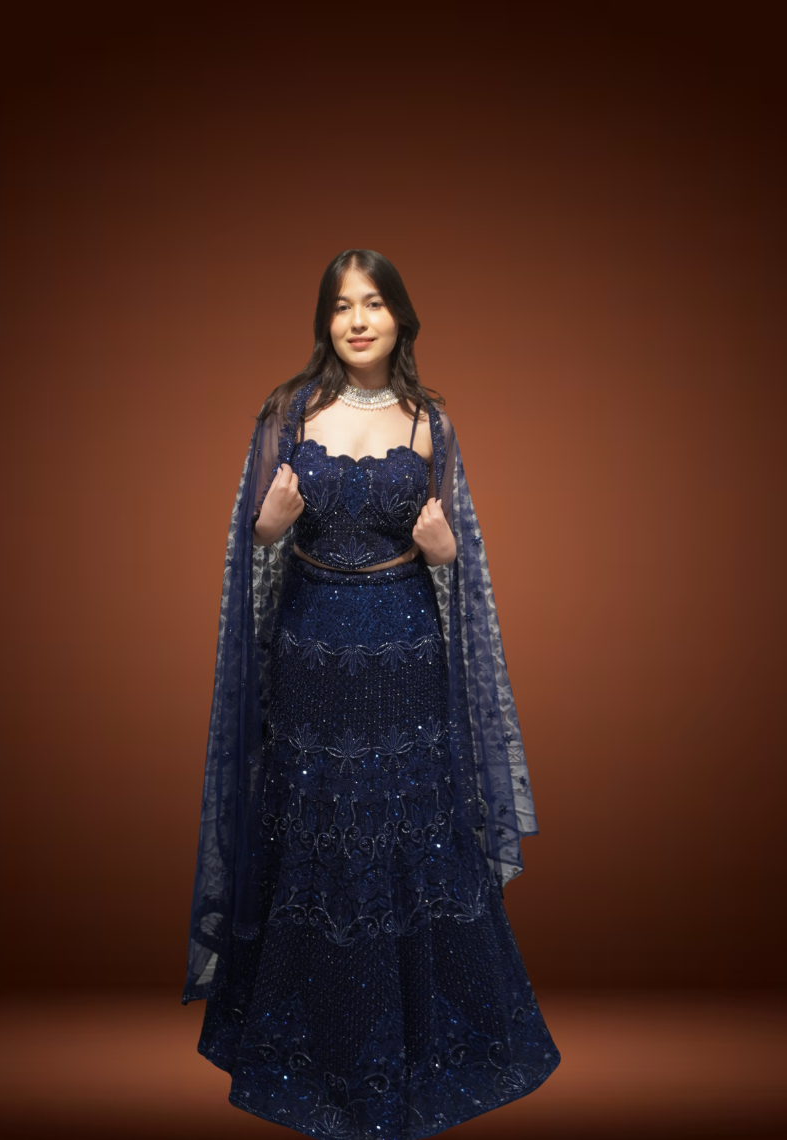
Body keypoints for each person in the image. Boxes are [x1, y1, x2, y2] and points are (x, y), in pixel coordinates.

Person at [183, 249, 561, 1138]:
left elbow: (461, 559)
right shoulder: (287, 413)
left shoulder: (432, 421)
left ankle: (423, 1048)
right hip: (310, 655)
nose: (358, 320)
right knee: (316, 827)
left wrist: (445, 551)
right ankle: (310, 1050)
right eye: (342, 306)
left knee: (407, 829)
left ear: (401, 318)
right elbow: (251, 545)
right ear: (325, 321)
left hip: (405, 655)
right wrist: (269, 526)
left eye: (375, 303)